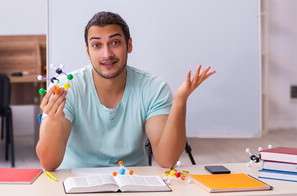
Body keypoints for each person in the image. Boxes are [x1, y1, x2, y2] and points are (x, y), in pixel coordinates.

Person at [36, 11, 215, 171]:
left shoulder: (153, 88)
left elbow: (167, 159)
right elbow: (48, 163)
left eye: (115, 42)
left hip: (132, 184)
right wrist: (53, 120)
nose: (107, 54)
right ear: (87, 51)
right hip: (75, 185)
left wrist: (180, 101)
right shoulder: (65, 88)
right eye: (97, 45)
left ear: (129, 45)